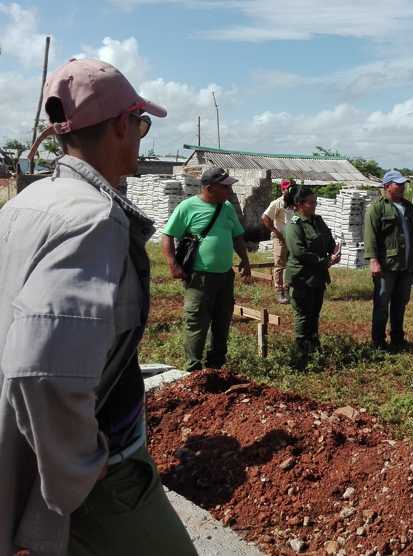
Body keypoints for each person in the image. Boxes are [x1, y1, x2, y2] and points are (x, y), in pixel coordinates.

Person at [0, 58, 196, 555]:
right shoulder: (94, 220)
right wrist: (80, 468)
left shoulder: (31, 200)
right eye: (141, 124)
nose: (141, 135)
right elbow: (40, 371)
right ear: (118, 125)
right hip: (104, 478)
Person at [162, 167, 252, 372]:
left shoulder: (227, 207)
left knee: (222, 322)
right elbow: (167, 235)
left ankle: (216, 367)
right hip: (199, 277)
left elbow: (237, 236)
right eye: (225, 186)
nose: (229, 190)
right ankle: (193, 369)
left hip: (225, 276)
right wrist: (172, 264)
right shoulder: (187, 207)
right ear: (209, 188)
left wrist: (245, 260)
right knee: (197, 322)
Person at [283, 186, 341, 366]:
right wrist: (325, 261)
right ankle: (300, 352)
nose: (314, 205)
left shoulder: (318, 221)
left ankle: (314, 347)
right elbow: (299, 252)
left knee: (314, 313)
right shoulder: (294, 225)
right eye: (311, 202)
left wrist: (335, 251)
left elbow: (328, 240)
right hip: (301, 278)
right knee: (303, 314)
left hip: (318, 278)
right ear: (299, 205)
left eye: (315, 202)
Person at [364, 169, 413, 350]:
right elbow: (370, 236)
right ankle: (378, 341)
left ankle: (397, 338)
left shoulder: (409, 207)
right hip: (387, 265)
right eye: (399, 184)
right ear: (388, 186)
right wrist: (373, 260)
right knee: (382, 303)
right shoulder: (377, 208)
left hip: (406, 264)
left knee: (400, 302)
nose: (403, 187)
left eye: (404, 184)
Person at [261, 178, 296, 303]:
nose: (292, 191)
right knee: (280, 264)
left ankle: (287, 288)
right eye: (289, 189)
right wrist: (277, 233)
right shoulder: (277, 203)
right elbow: (265, 218)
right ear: (283, 190)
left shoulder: (295, 203)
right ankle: (279, 290)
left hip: (293, 238)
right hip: (280, 238)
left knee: (291, 264)